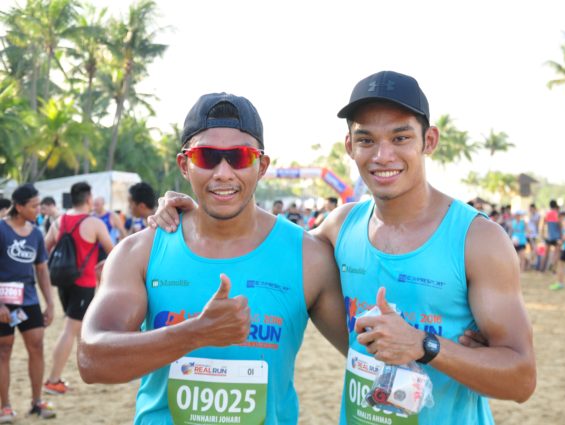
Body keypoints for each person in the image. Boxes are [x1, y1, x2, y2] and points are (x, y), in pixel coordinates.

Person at [152, 72, 535, 423]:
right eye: (367, 140)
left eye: (400, 138)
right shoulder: (340, 229)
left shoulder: (477, 240)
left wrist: (426, 346)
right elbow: (263, 239)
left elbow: (521, 381)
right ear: (350, 146)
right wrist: (196, 210)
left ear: (429, 141)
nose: (382, 155)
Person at [77, 92, 346, 424]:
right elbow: (91, 360)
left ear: (261, 166)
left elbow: (369, 355)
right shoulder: (141, 251)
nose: (223, 172)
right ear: (184, 165)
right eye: (206, 157)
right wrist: (195, 334)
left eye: (239, 157)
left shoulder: (308, 256)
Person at [43, 182, 113, 395]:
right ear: (89, 199)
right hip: (83, 283)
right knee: (70, 329)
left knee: (79, 328)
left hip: (63, 282)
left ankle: (86, 368)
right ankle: (53, 380)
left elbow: (45, 248)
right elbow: (114, 251)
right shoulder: (94, 223)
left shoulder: (59, 221)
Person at [0, 184, 56, 420]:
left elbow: (42, 270)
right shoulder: (1, 229)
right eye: (34, 206)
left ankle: (37, 402)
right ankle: (5, 407)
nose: (38, 209)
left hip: (28, 300)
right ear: (19, 207)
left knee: (37, 346)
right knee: (4, 350)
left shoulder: (36, 233)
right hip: (2, 301)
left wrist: (50, 303)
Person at [541, 199, 562, 272]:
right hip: (557, 237)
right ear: (556, 206)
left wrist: (542, 234)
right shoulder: (557, 214)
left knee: (545, 254)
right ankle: (554, 269)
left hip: (549, 236)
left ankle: (542, 269)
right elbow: (560, 226)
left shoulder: (547, 214)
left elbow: (543, 225)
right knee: (556, 253)